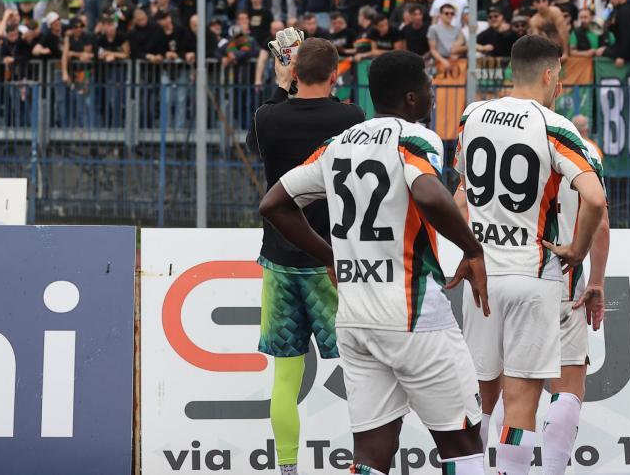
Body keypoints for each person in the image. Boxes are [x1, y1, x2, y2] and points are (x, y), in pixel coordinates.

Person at [259, 50, 490, 475]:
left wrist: (331, 255)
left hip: (356, 319)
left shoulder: (337, 144)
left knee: (371, 451)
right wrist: (473, 250)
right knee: (463, 443)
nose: (433, 95)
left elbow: (273, 203)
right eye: (428, 87)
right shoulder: (415, 138)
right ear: (412, 97)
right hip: (414, 317)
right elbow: (428, 192)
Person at [453, 34, 607, 475]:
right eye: (559, 76)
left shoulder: (472, 115)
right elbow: (595, 200)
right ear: (548, 74)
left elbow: (460, 197)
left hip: (483, 275)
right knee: (521, 403)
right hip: (532, 273)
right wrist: (577, 250)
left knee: (478, 400)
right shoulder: (554, 126)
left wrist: (468, 249)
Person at [245, 35, 366, 475]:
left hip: (280, 260)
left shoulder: (268, 117)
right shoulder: (351, 118)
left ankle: (288, 468)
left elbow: (255, 140)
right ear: (335, 75)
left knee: (285, 378)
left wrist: (282, 86)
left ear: (294, 71)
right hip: (332, 261)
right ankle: (366, 462)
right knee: (361, 373)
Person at [541, 119, 611, 475]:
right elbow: (600, 221)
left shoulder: (494, 132)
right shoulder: (586, 150)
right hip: (563, 277)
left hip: (509, 276)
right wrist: (596, 281)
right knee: (567, 388)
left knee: (510, 390)